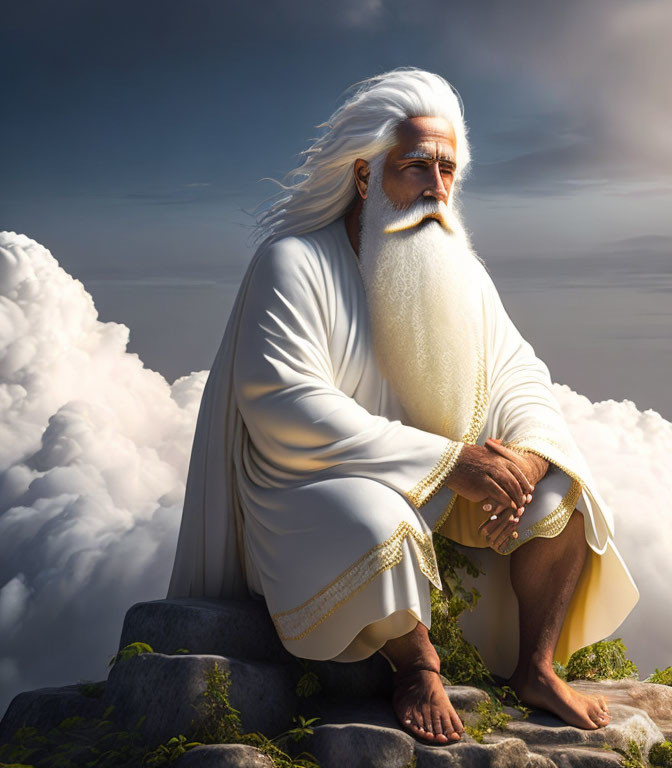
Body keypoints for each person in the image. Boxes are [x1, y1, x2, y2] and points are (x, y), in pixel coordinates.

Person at [166, 67, 639, 746]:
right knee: (376, 523)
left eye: (448, 169)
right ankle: (415, 663)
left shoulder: (458, 273)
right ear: (365, 177)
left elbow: (518, 376)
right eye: (416, 166)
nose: (436, 187)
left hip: (438, 480)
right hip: (311, 483)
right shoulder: (294, 262)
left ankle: (535, 668)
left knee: (564, 488)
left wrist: (526, 461)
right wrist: (450, 463)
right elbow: (286, 403)